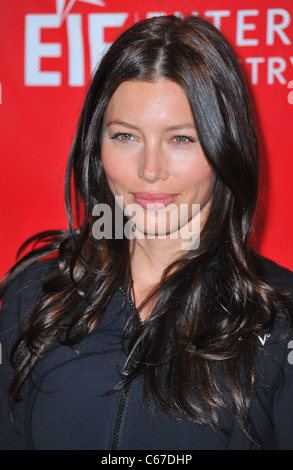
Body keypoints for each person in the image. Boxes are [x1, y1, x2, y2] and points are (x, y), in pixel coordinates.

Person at [0, 14, 293, 451]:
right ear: (95, 148)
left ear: (225, 147)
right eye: (125, 136)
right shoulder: (38, 295)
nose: (150, 170)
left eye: (181, 139)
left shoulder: (279, 316)